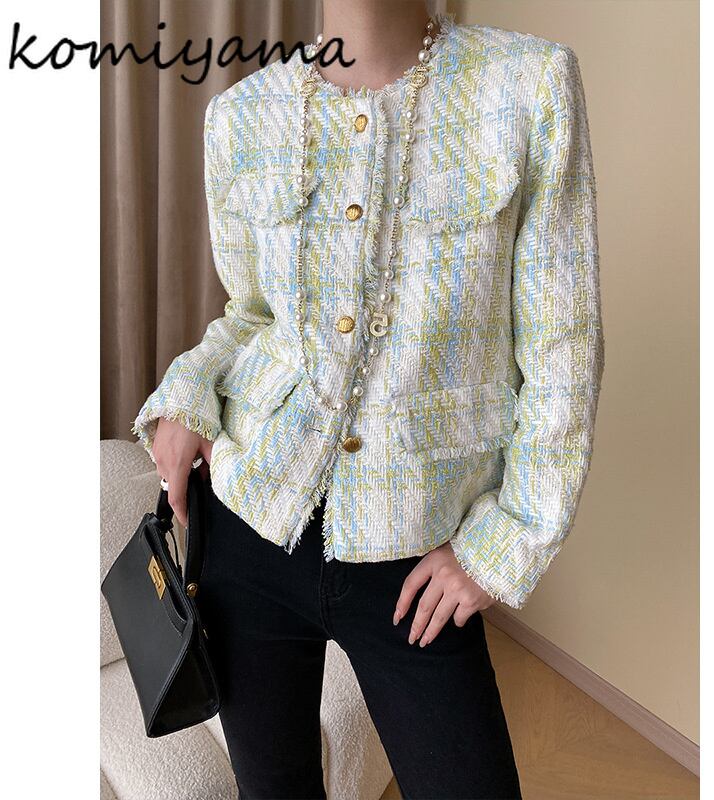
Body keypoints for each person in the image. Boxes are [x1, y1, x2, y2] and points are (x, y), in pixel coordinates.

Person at [132, 1, 604, 797]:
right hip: (246, 525)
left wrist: (506, 543)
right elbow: (251, 316)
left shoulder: (527, 85)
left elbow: (564, 347)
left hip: (416, 554)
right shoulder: (243, 115)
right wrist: (185, 396)